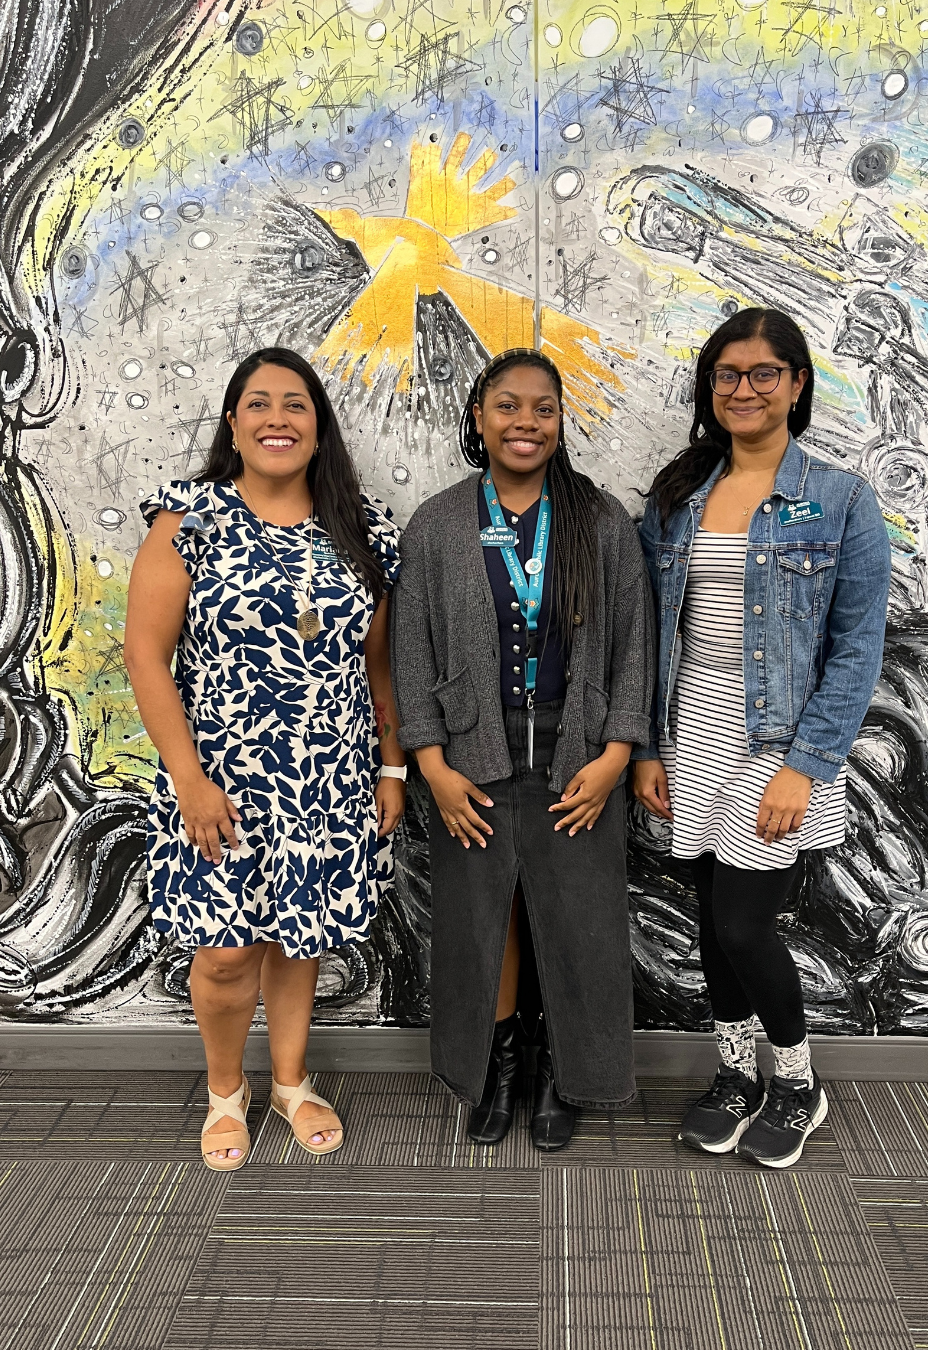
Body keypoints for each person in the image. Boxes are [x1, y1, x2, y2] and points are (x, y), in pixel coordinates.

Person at [125, 347, 405, 1170]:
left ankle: (289, 1081)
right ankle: (224, 1092)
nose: (276, 418)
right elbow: (146, 654)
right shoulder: (192, 520)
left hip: (330, 776)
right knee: (223, 951)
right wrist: (190, 780)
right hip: (219, 779)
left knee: (299, 937)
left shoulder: (362, 526)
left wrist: (391, 767)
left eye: (296, 405)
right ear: (232, 423)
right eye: (258, 403)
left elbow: (377, 661)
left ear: (319, 430)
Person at [634, 308, 891, 1168]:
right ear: (711, 390)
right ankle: (735, 1075)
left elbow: (858, 647)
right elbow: (646, 631)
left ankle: (797, 1082)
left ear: (797, 383)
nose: (743, 389)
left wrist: (806, 766)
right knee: (711, 919)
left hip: (774, 741)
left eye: (763, 374)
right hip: (690, 730)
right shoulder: (680, 494)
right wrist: (647, 748)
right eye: (727, 375)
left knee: (744, 924)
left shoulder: (843, 498)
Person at [392, 348, 654, 1150]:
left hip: (577, 758)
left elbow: (634, 644)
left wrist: (617, 753)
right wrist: (431, 764)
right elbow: (411, 650)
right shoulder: (438, 522)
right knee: (484, 920)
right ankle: (500, 1066)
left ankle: (564, 1073)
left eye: (543, 408)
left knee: (578, 923)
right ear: (478, 417)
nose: (526, 423)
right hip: (471, 762)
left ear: (560, 421)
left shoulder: (598, 519)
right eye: (507, 406)